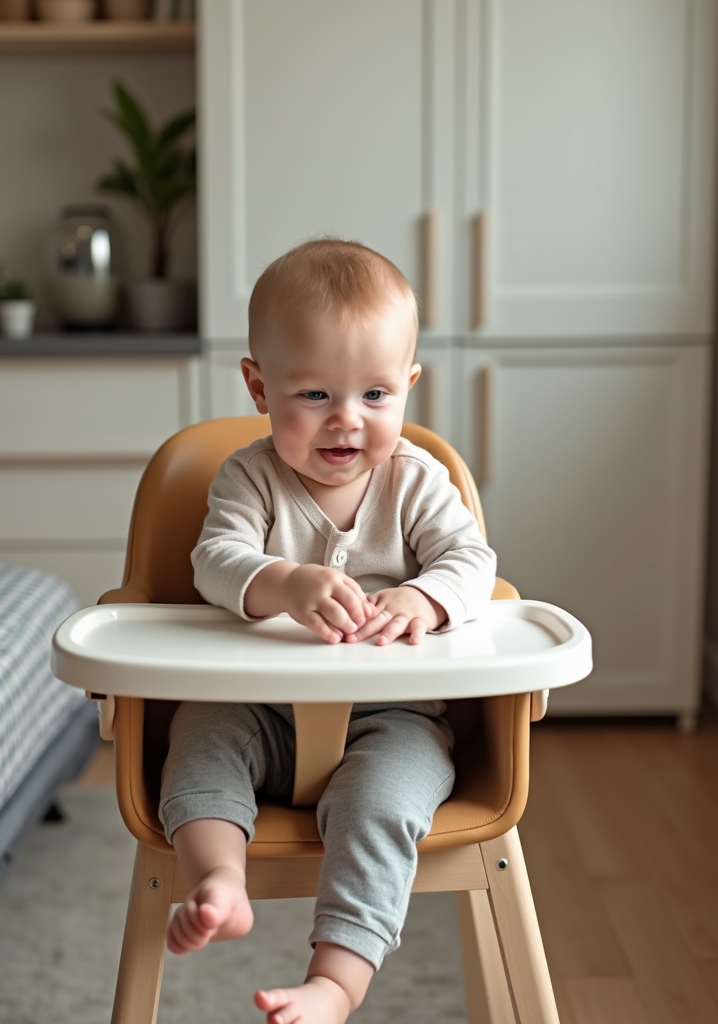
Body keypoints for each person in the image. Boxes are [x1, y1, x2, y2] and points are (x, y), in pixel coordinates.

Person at [159, 238, 497, 1024]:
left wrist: (427, 599)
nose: (348, 419)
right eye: (314, 394)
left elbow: (472, 561)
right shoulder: (250, 478)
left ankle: (335, 983)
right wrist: (282, 580)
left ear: (409, 387)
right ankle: (218, 879)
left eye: (376, 394)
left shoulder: (416, 481)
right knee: (199, 737)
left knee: (385, 804)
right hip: (259, 712)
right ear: (258, 384)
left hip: (392, 720)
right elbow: (215, 561)